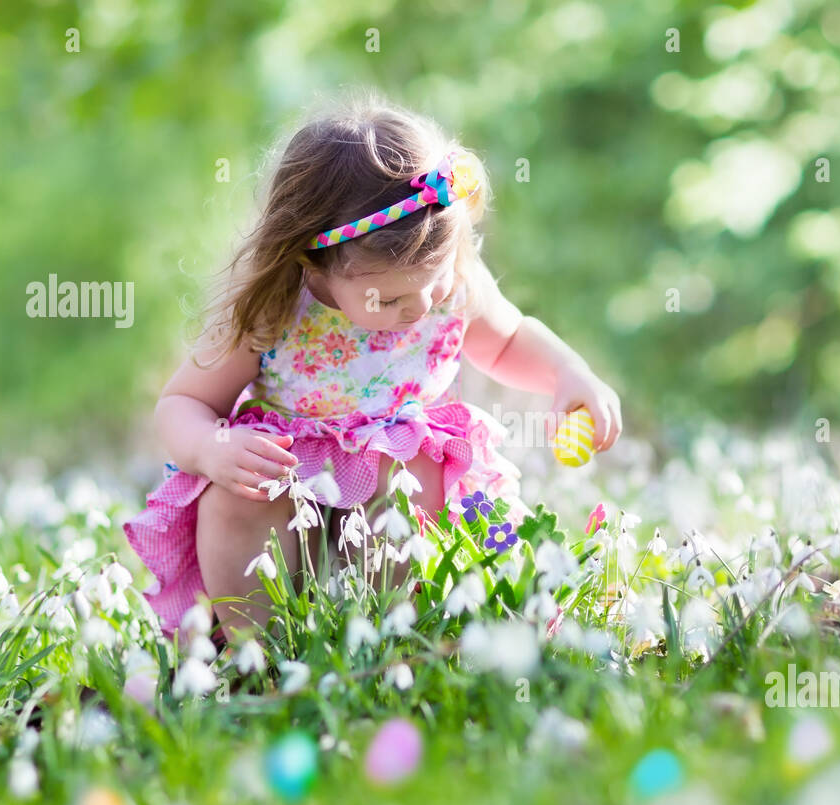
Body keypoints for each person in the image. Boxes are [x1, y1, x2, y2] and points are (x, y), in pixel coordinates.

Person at [123, 90, 622, 647]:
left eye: (432, 286)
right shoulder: (274, 304)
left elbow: (506, 341)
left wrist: (569, 374)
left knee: (413, 473)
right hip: (288, 474)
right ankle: (256, 653)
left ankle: (390, 633)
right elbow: (182, 404)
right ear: (313, 261)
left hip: (392, 471)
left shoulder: (447, 280)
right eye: (388, 300)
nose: (419, 309)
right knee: (235, 497)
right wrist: (211, 449)